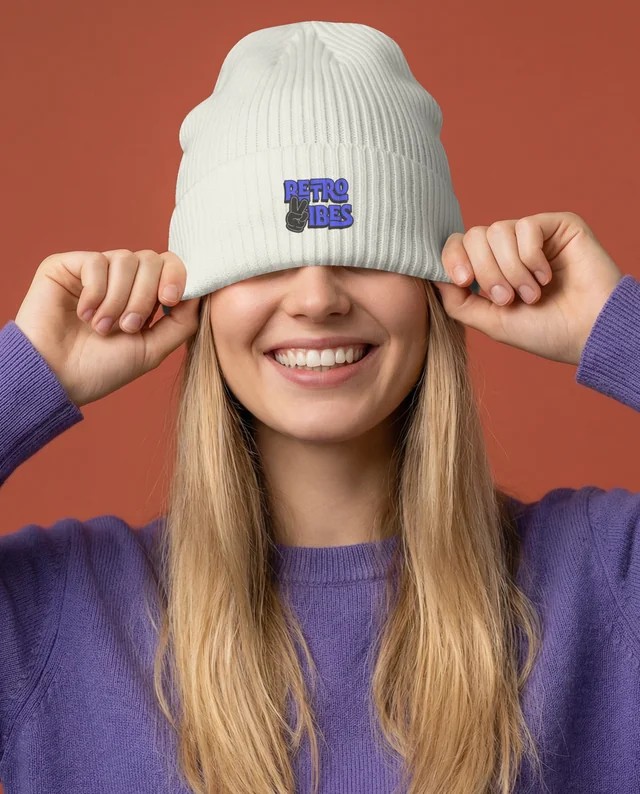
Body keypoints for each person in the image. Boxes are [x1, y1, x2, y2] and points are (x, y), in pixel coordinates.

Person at [1, 20, 638, 794]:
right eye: (266, 257)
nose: (316, 299)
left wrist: (616, 327)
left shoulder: (603, 582)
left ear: (433, 290)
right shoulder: (58, 614)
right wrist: (26, 374)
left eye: (365, 252)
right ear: (200, 296)